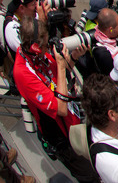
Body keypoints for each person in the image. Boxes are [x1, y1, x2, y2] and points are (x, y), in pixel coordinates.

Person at [14, 16, 96, 182]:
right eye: (45, 45)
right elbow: (61, 108)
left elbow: (60, 78)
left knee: (98, 163)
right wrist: (59, 64)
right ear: (35, 47)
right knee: (91, 177)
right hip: (61, 136)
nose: (48, 48)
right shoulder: (22, 72)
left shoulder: (37, 55)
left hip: (73, 123)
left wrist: (72, 57)